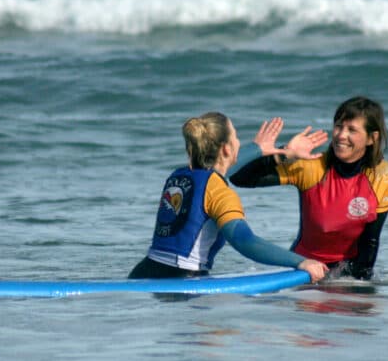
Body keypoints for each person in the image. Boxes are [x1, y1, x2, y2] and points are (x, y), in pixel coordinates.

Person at [129, 112, 328, 283]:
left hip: (142, 273)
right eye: (236, 137)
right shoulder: (220, 192)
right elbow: (244, 241)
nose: (240, 143)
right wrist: (301, 261)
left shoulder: (178, 175)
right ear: (226, 149)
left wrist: (264, 150)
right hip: (182, 284)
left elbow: (219, 169)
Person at [230, 96, 388, 280]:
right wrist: (282, 154)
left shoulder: (383, 175)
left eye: (352, 130)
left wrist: (358, 287)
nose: (341, 135)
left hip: (347, 272)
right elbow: (239, 178)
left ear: (371, 138)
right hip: (304, 270)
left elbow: (371, 240)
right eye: (339, 126)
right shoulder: (312, 166)